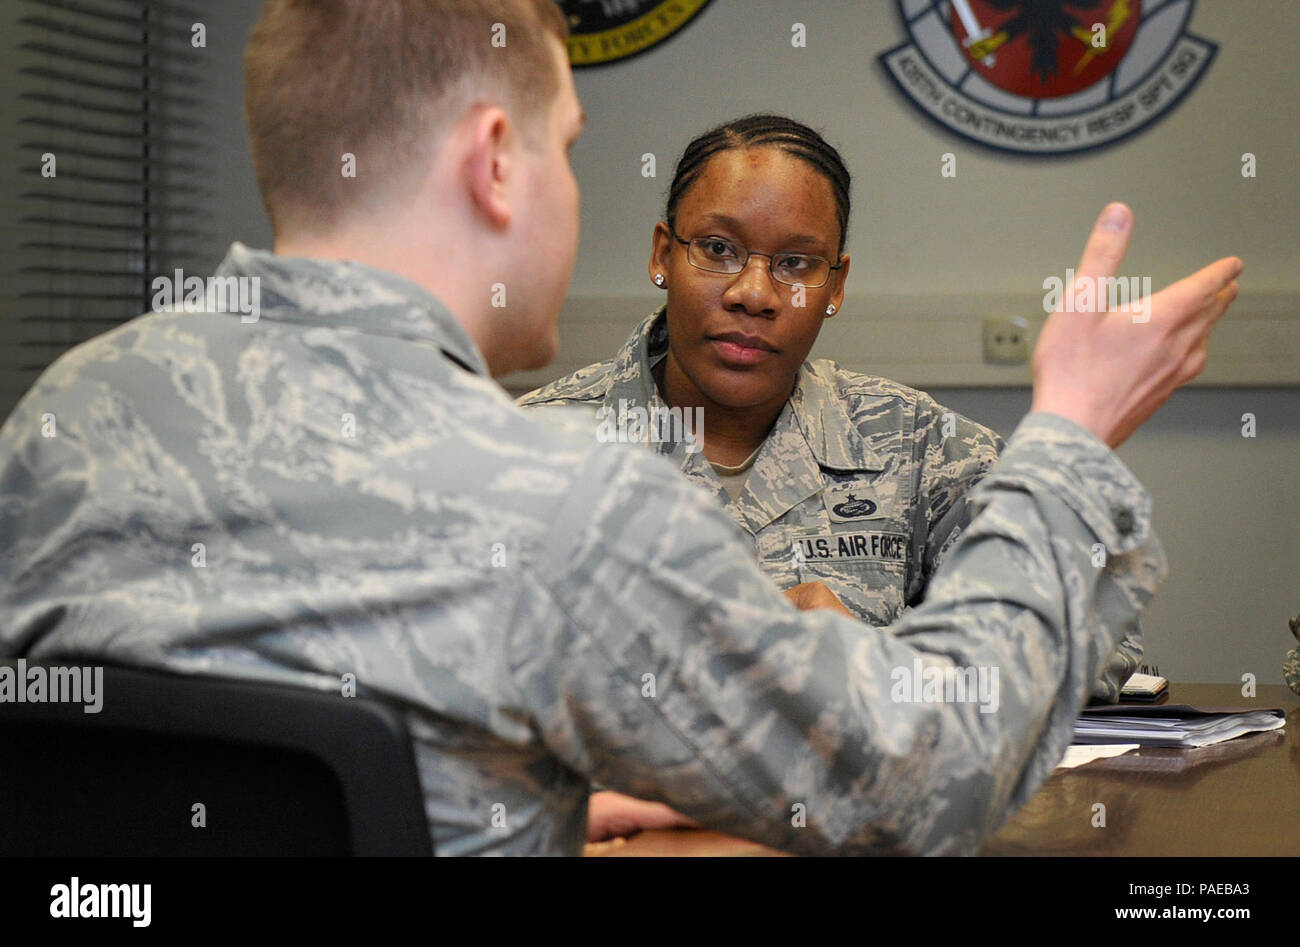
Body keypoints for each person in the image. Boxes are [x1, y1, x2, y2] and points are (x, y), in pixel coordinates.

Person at [0, 0, 1240, 856]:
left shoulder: (61, 420)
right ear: (496, 160)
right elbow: (929, 768)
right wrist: (1069, 429)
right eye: (568, 145)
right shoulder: (562, 495)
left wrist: (506, 794)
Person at [519, 114, 1139, 704]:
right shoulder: (532, 447)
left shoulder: (917, 445)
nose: (754, 294)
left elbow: (1094, 641)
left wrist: (875, 660)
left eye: (795, 264)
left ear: (835, 286)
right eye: (716, 248)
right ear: (662, 255)